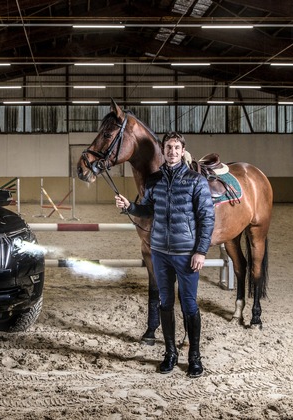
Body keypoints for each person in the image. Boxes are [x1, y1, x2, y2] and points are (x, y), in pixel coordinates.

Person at [115, 132, 214, 377]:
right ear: (163, 149)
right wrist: (130, 207)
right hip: (160, 252)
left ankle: (194, 357)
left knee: (189, 304)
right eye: (168, 147)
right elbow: (148, 209)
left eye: (176, 147)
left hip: (186, 253)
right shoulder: (154, 180)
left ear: (182, 151)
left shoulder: (196, 181)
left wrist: (201, 251)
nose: (172, 151)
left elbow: (206, 218)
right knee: (165, 303)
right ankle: (170, 353)